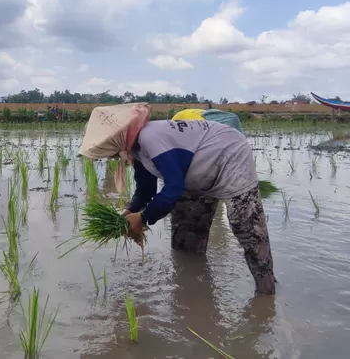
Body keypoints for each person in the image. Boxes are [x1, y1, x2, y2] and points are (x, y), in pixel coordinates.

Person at [78, 103, 276, 295]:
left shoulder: (150, 137)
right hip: (195, 171)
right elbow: (145, 191)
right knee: (186, 235)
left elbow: (173, 188)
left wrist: (143, 218)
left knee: (247, 229)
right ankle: (192, 292)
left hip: (230, 155)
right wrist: (129, 212)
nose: (110, 157)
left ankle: (266, 295)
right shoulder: (136, 148)